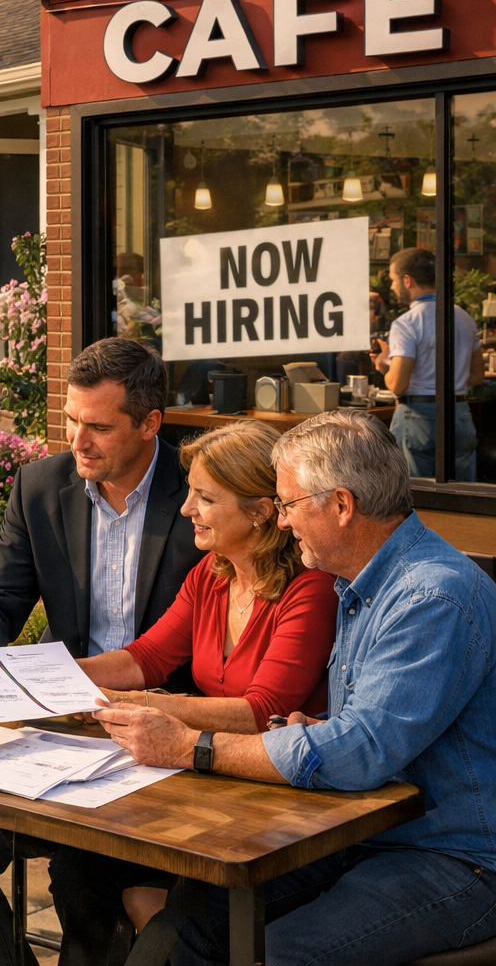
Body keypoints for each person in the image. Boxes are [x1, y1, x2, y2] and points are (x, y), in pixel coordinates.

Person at [96, 411, 496, 966]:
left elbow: (361, 751)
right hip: (367, 831)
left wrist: (192, 747)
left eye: (288, 505)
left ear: (341, 505)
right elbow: (368, 728)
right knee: (195, 914)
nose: (283, 522)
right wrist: (320, 728)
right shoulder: (361, 583)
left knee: (280, 954)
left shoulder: (429, 598)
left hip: (453, 857)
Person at [0, 337, 202, 966]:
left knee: (83, 877)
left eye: (99, 427)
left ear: (150, 423)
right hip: (61, 724)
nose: (77, 440)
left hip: (168, 731)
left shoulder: (199, 494)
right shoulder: (42, 485)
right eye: (70, 419)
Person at [47, 419, 339, 948]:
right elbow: (148, 657)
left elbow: (261, 710)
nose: (185, 510)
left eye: (204, 498)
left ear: (261, 511)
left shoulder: (311, 588)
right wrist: (44, 673)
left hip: (271, 803)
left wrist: (123, 702)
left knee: (157, 908)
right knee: (76, 867)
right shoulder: (213, 573)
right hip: (207, 785)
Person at [371, 246, 484, 480]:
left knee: (416, 493)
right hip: (458, 412)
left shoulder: (406, 323)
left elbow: (398, 385)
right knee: (463, 494)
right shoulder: (464, 318)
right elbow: (476, 376)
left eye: (393, 280)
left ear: (407, 280)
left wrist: (383, 364)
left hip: (418, 416)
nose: (392, 287)